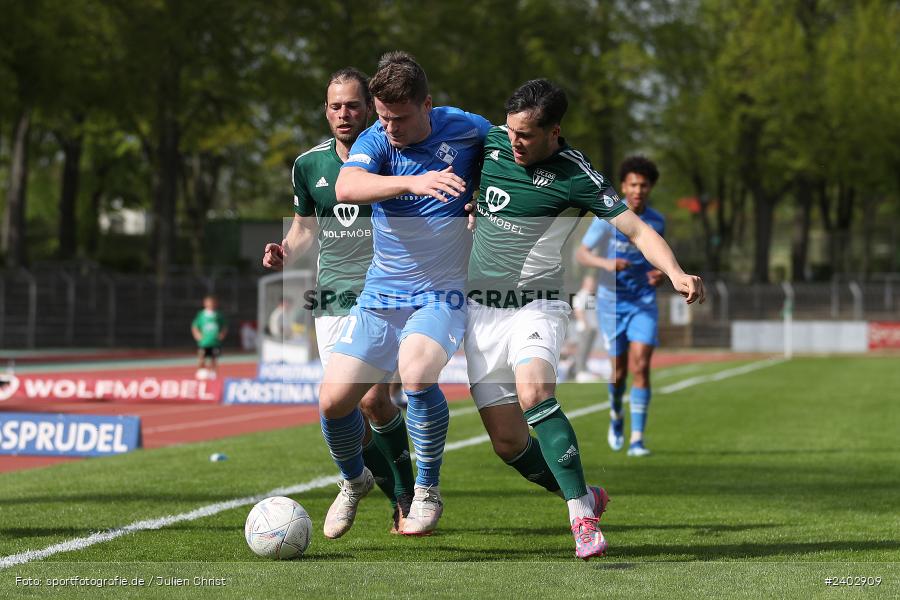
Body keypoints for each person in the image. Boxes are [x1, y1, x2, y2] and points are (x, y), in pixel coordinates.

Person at [465, 80, 704, 559]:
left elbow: (635, 228)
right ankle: (584, 491)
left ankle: (581, 517)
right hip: (480, 308)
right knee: (508, 443)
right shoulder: (488, 142)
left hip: (538, 302)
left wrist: (674, 271)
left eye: (526, 135)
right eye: (511, 131)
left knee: (535, 392)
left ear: (554, 132)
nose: (514, 142)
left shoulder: (576, 174)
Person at [319, 50, 490, 536]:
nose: (388, 126)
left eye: (399, 116)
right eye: (383, 115)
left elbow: (508, 155)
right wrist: (415, 182)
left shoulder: (466, 128)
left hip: (441, 293)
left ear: (428, 105)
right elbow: (348, 187)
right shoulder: (376, 139)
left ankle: (427, 491)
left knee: (416, 375)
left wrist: (485, 203)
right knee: (333, 401)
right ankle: (354, 481)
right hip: (381, 293)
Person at [262, 67, 415, 536]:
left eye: (352, 104)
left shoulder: (392, 154)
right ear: (325, 111)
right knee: (340, 406)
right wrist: (286, 251)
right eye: (335, 106)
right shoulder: (309, 165)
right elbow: (305, 228)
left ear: (368, 107)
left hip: (384, 291)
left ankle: (408, 496)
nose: (344, 113)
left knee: (371, 398)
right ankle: (377, 488)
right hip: (331, 297)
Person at [576, 156, 665, 457]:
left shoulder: (657, 221)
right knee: (620, 371)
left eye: (643, 185)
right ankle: (616, 414)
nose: (638, 190)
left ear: (650, 187)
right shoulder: (607, 218)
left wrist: (660, 274)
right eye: (633, 184)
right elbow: (582, 254)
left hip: (643, 302)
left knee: (641, 365)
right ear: (624, 186)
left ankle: (637, 439)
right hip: (611, 303)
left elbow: (658, 257)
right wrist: (607, 263)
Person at [191, 295, 227, 378]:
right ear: (205, 304)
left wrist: (222, 334)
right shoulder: (201, 315)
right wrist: (197, 334)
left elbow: (224, 326)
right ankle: (200, 371)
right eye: (209, 303)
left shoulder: (218, 315)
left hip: (215, 341)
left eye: (212, 303)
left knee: (214, 357)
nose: (211, 304)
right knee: (202, 356)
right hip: (204, 341)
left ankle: (212, 372)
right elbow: (195, 325)